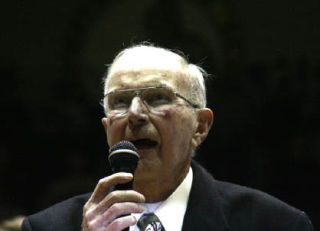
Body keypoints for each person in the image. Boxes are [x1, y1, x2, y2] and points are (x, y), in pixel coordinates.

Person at [22, 44, 313, 231]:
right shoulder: (48, 226)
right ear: (106, 128)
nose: (135, 114)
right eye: (120, 102)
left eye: (158, 98)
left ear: (200, 126)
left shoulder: (274, 223)